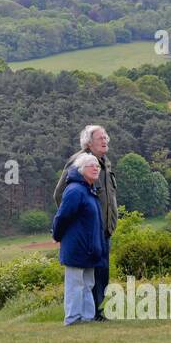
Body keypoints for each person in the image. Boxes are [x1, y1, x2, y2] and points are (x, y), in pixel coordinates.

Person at [53, 125, 117, 319]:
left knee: (100, 275)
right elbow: (60, 194)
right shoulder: (79, 162)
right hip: (88, 232)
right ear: (88, 142)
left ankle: (94, 313)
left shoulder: (105, 163)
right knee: (84, 277)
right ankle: (82, 316)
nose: (105, 140)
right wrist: (76, 224)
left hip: (104, 230)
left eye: (106, 137)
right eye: (100, 138)